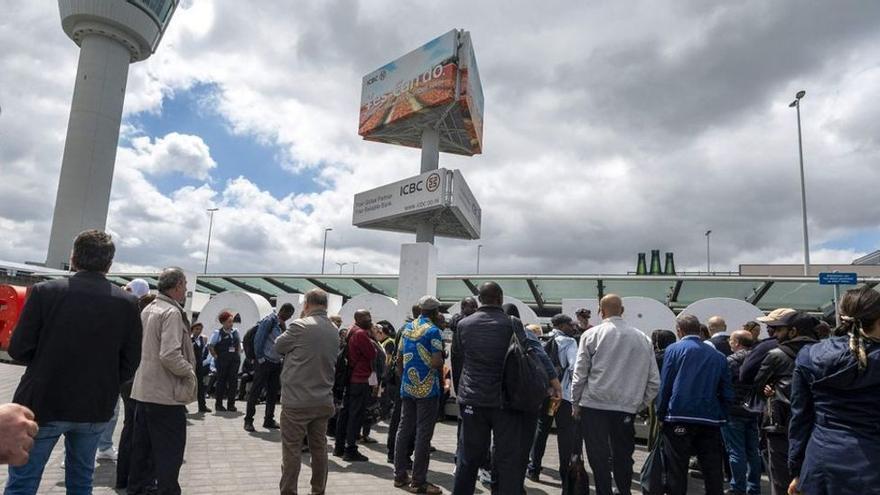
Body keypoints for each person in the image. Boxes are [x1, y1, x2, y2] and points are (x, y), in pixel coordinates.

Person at [5, 230, 142, 495]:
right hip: (95, 405)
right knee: (81, 481)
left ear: (73, 258)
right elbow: (130, 360)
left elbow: (19, 350)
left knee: (23, 481)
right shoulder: (127, 303)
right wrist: (108, 381)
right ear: (109, 264)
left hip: (42, 402)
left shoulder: (45, 292)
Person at [451, 282, 556, 495]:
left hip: (473, 401)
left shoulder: (463, 325)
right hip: (505, 402)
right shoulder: (512, 323)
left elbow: (457, 362)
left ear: (480, 299)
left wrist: (460, 394)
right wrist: (552, 381)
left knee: (468, 458)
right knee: (507, 460)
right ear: (500, 299)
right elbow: (529, 354)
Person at [788, 287, 880, 495]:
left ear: (841, 316)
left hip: (821, 462)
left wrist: (797, 470)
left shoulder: (810, 354)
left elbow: (800, 419)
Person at [571, 295, 660, 495]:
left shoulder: (591, 335)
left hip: (594, 405)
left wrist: (575, 402)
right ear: (623, 310)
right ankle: (624, 490)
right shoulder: (643, 338)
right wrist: (638, 404)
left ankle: (604, 491)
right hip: (626, 408)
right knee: (623, 455)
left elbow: (580, 373)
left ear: (600, 311)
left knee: (598, 455)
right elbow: (654, 381)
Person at [127, 267, 196, 495]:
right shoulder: (172, 313)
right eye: (185, 284)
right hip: (165, 395)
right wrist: (189, 372)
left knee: (142, 452)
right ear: (177, 286)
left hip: (143, 391)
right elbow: (169, 354)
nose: (186, 289)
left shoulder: (149, 308)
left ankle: (137, 489)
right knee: (169, 454)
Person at [656, 314, 734, 495]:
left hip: (678, 415)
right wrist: (722, 414)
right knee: (712, 468)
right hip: (709, 418)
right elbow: (727, 390)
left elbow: (666, 384)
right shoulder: (719, 356)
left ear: (679, 330)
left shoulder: (673, 349)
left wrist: (661, 414)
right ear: (700, 330)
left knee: (677, 468)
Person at [274, 289, 339, 495]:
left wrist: (302, 318)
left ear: (306, 304)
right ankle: (318, 490)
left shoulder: (300, 325)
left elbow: (278, 346)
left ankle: (289, 491)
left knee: (292, 451)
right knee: (319, 449)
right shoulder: (334, 329)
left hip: (297, 401)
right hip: (323, 400)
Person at [753, 311, 819, 495]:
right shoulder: (823, 352)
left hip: (781, 423)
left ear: (792, 331)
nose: (774, 334)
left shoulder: (775, 354)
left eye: (779, 330)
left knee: (781, 479)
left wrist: (770, 389)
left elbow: (757, 385)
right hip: (817, 424)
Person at [392, 296, 445, 494]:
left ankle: (399, 476)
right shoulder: (433, 331)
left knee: (403, 429)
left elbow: (398, 360)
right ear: (434, 312)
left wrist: (405, 377)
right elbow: (436, 362)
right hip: (428, 389)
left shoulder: (407, 328)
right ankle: (418, 481)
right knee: (423, 435)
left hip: (407, 387)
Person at [528, 314, 581, 483]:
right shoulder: (569, 342)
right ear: (562, 325)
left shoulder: (542, 339)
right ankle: (565, 471)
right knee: (565, 432)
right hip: (562, 395)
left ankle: (534, 469)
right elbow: (574, 367)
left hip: (545, 394)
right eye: (570, 325)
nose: (573, 328)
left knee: (541, 429)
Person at [116, 292, 156, 491]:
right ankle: (137, 479)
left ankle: (122, 478)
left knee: (129, 427)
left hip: (126, 381)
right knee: (141, 431)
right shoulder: (146, 326)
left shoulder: (129, 324)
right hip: (139, 382)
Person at [333, 310, 377, 461]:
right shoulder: (361, 334)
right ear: (358, 318)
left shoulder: (351, 330)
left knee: (345, 413)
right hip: (360, 379)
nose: (369, 320)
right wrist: (372, 336)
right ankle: (350, 449)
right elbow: (372, 354)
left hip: (351, 378)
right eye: (367, 317)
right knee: (355, 415)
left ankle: (339, 447)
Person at [244, 303, 295, 432]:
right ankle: (249, 420)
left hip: (276, 362)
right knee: (256, 390)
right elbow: (259, 339)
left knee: (272, 392)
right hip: (264, 361)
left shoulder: (281, 325)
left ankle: (269, 419)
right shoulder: (269, 321)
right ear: (282, 310)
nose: (288, 317)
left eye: (290, 315)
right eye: (287, 314)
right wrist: (260, 358)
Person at [721, 330, 761, 495]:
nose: (729, 343)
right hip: (753, 408)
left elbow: (722, 383)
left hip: (733, 410)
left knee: (735, 450)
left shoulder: (730, 361)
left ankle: (738, 487)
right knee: (753, 451)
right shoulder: (759, 358)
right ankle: (754, 488)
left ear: (737, 342)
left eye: (731, 340)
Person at [740, 309, 797, 385]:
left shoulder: (766, 346)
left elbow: (745, 374)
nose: (767, 329)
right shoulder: (810, 347)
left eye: (770, 326)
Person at [209, 311, 242, 412]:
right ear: (223, 322)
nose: (231, 324)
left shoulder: (235, 331)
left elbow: (239, 343)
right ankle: (219, 404)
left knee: (233, 383)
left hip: (234, 361)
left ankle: (231, 405)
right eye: (229, 322)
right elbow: (211, 346)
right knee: (221, 382)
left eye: (232, 321)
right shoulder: (217, 333)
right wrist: (215, 356)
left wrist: (239, 352)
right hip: (222, 361)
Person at [191, 322, 211, 413]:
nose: (198, 331)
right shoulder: (189, 339)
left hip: (199, 365)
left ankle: (202, 406)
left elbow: (204, 352)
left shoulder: (203, 339)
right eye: (196, 329)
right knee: (187, 384)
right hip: (190, 364)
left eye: (200, 329)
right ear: (192, 329)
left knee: (200, 385)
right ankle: (181, 406)